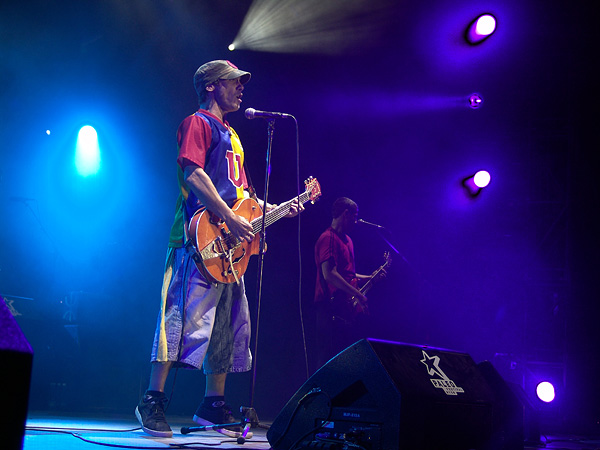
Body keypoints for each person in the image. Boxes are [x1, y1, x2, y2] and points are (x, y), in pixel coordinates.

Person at [135, 60, 302, 438]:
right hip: (197, 238)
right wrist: (228, 213)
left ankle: (212, 404)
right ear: (211, 86)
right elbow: (193, 173)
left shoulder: (235, 136)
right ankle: (153, 398)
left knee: (228, 323)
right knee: (178, 319)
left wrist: (278, 210)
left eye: (242, 83)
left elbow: (243, 197)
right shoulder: (198, 123)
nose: (241, 88)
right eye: (233, 82)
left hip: (230, 248)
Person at [313, 197, 379, 369]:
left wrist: (369, 277)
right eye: (355, 217)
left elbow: (347, 274)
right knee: (328, 360)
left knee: (346, 359)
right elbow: (330, 274)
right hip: (329, 308)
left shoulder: (348, 240)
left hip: (344, 308)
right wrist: (357, 294)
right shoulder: (327, 238)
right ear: (346, 214)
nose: (356, 221)